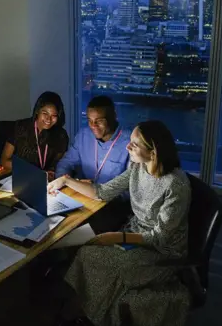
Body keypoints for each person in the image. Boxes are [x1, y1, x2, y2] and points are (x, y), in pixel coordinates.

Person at [48, 120, 192, 326]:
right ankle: (84, 310)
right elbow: (103, 192)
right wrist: (65, 181)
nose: (127, 147)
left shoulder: (176, 185)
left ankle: (85, 314)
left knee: (101, 260)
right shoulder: (137, 167)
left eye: (134, 144)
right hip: (134, 233)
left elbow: (161, 237)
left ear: (154, 153)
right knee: (87, 253)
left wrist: (117, 237)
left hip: (162, 250)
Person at [55, 95, 131, 233]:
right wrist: (64, 180)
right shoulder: (83, 135)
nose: (93, 126)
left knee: (78, 233)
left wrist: (98, 192)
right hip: (81, 198)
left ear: (113, 116)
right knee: (55, 225)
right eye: (90, 120)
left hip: (111, 207)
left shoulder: (130, 144)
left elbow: (130, 191)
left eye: (99, 121)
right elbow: (65, 162)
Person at [0, 91, 69, 179]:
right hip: (18, 177)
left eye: (54, 115)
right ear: (37, 111)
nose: (49, 119)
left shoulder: (61, 135)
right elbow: (4, 160)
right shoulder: (20, 127)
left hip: (44, 181)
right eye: (45, 113)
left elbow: (58, 164)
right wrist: (32, 172)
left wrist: (52, 172)